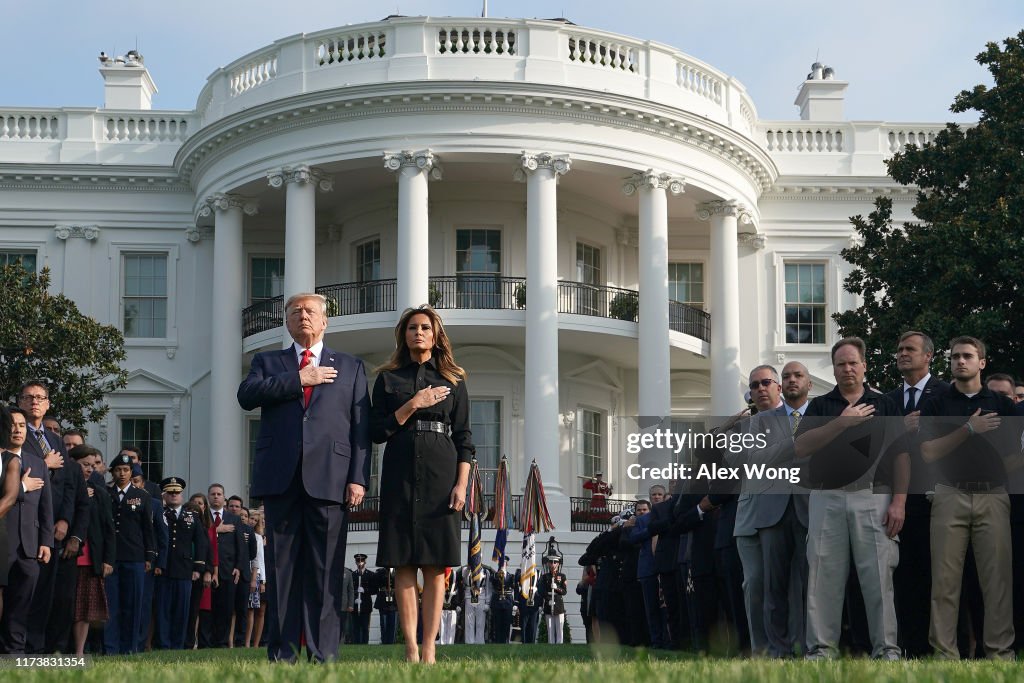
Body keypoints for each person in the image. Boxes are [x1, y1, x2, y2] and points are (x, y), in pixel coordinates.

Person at [238, 291, 371, 663]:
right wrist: (300, 379)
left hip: (331, 479)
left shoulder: (351, 366)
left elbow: (360, 429)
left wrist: (358, 478)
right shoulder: (268, 362)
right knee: (281, 570)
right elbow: (246, 396)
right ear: (287, 322)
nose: (303, 316)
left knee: (326, 570)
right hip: (280, 479)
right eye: (295, 312)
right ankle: (283, 651)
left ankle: (322, 651)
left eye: (310, 311)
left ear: (325, 320)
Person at [370, 305, 474, 663]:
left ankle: (429, 645)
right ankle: (411, 648)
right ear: (404, 335)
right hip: (399, 472)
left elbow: (465, 439)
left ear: (435, 335)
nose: (418, 333)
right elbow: (376, 431)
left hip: (441, 475)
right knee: (402, 565)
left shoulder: (453, 379)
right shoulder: (387, 379)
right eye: (412, 327)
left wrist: (461, 486)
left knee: (434, 567)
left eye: (425, 328)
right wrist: (414, 403)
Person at [795, 337, 904, 660]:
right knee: (822, 578)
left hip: (874, 497)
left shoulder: (884, 405)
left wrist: (899, 501)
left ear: (864, 366)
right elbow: (802, 447)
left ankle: (886, 649)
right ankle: (821, 650)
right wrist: (842, 422)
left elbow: (901, 456)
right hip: (827, 496)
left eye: (853, 362)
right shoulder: (820, 406)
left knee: (878, 578)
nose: (847, 369)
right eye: (841, 363)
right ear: (834, 368)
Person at [919, 336, 1016, 660]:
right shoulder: (937, 403)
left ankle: (1000, 653)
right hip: (950, 496)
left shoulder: (1002, 405)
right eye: (955, 357)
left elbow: (1016, 455)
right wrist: (969, 430)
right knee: (945, 583)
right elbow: (929, 452)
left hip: (993, 496)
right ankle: (944, 654)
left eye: (968, 356)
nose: (960, 361)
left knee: (997, 582)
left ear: (982, 362)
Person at [886, 331, 948, 658]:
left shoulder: (947, 394)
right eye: (899, 350)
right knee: (904, 578)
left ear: (928, 356)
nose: (902, 354)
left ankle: (942, 648)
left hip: (937, 500)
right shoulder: (888, 400)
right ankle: (910, 648)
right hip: (898, 502)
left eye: (910, 349)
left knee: (939, 579)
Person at [0, 406, 53, 654]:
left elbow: (46, 505)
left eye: (22, 425)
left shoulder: (37, 463)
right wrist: (21, 486)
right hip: (3, 542)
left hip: (30, 545)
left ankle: (15, 654)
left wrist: (46, 541)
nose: (17, 430)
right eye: (12, 425)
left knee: (22, 604)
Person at [103, 452, 156, 655]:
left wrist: (149, 556)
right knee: (111, 605)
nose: (122, 473)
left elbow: (147, 529)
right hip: (111, 558)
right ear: (113, 472)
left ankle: (130, 647)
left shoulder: (142, 496)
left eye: (126, 470)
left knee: (132, 604)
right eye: (118, 470)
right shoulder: (105, 493)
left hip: (135, 557)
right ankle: (110, 647)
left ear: (131, 472)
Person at [67, 445, 114, 657]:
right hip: (66, 557)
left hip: (89, 559)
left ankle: (79, 652)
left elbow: (108, 530)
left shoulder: (101, 494)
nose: (89, 469)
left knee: (85, 610)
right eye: (85, 465)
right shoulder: (62, 485)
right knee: (66, 607)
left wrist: (108, 560)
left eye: (93, 465)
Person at [153, 477, 208, 650]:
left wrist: (198, 568)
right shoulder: (158, 513)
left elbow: (201, 542)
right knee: (163, 609)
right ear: (164, 495)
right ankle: (163, 644)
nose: (174, 495)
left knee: (182, 610)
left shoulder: (191, 516)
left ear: (182, 495)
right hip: (163, 568)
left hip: (185, 569)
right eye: (170, 493)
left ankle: (178, 644)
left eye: (177, 492)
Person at [244, 509, 267, 648]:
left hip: (255, 575)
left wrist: (262, 580)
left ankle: (249, 643)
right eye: (250, 518)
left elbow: (260, 559)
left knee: (252, 609)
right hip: (241, 573)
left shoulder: (258, 537)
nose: (252, 522)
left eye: (255, 520)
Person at [537, 557, 567, 644]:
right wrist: (548, 599)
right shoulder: (544, 577)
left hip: (558, 604)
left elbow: (564, 591)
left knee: (559, 629)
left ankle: (559, 646)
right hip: (548, 603)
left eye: (555, 562)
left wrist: (557, 588)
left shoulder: (562, 576)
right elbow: (541, 591)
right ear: (548, 564)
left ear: (558, 564)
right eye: (551, 562)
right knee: (550, 628)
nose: (553, 564)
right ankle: (551, 645)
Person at [350, 554, 374, 644]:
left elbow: (374, 589)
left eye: (362, 561)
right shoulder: (352, 575)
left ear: (365, 562)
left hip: (366, 605)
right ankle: (356, 644)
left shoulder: (370, 574)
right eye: (358, 561)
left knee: (365, 627)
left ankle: (365, 644)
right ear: (355, 562)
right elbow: (350, 589)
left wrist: (365, 590)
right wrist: (356, 593)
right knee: (355, 627)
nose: (360, 563)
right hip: (355, 604)